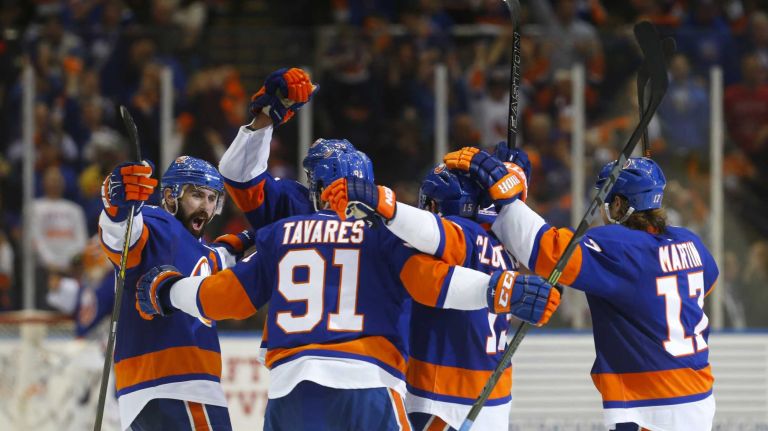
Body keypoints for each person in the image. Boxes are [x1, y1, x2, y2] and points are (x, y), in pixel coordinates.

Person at [134, 145, 560, 430]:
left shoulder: (282, 233)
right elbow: (431, 283)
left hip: (289, 391)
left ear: (318, 189)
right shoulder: (385, 235)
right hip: (367, 387)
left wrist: (168, 294)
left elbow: (228, 298)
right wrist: (496, 290)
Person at [445, 147, 718, 431]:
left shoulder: (619, 246)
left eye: (605, 201)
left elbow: (549, 252)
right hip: (699, 396)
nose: (601, 209)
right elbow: (704, 284)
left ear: (620, 205)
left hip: (650, 405)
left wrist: (505, 195)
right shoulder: (690, 242)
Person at [322, 157, 536, 430]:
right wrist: (513, 176)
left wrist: (389, 208)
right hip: (494, 398)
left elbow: (435, 233)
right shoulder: (506, 246)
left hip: (441, 398)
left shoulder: (467, 233)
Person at [98, 155, 255, 430]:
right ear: (170, 197)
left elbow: (222, 255)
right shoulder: (157, 222)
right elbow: (122, 235)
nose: (205, 207)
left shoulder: (203, 251)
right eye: (196, 195)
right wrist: (118, 206)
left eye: (211, 198)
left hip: (146, 394)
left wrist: (264, 235)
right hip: (179, 388)